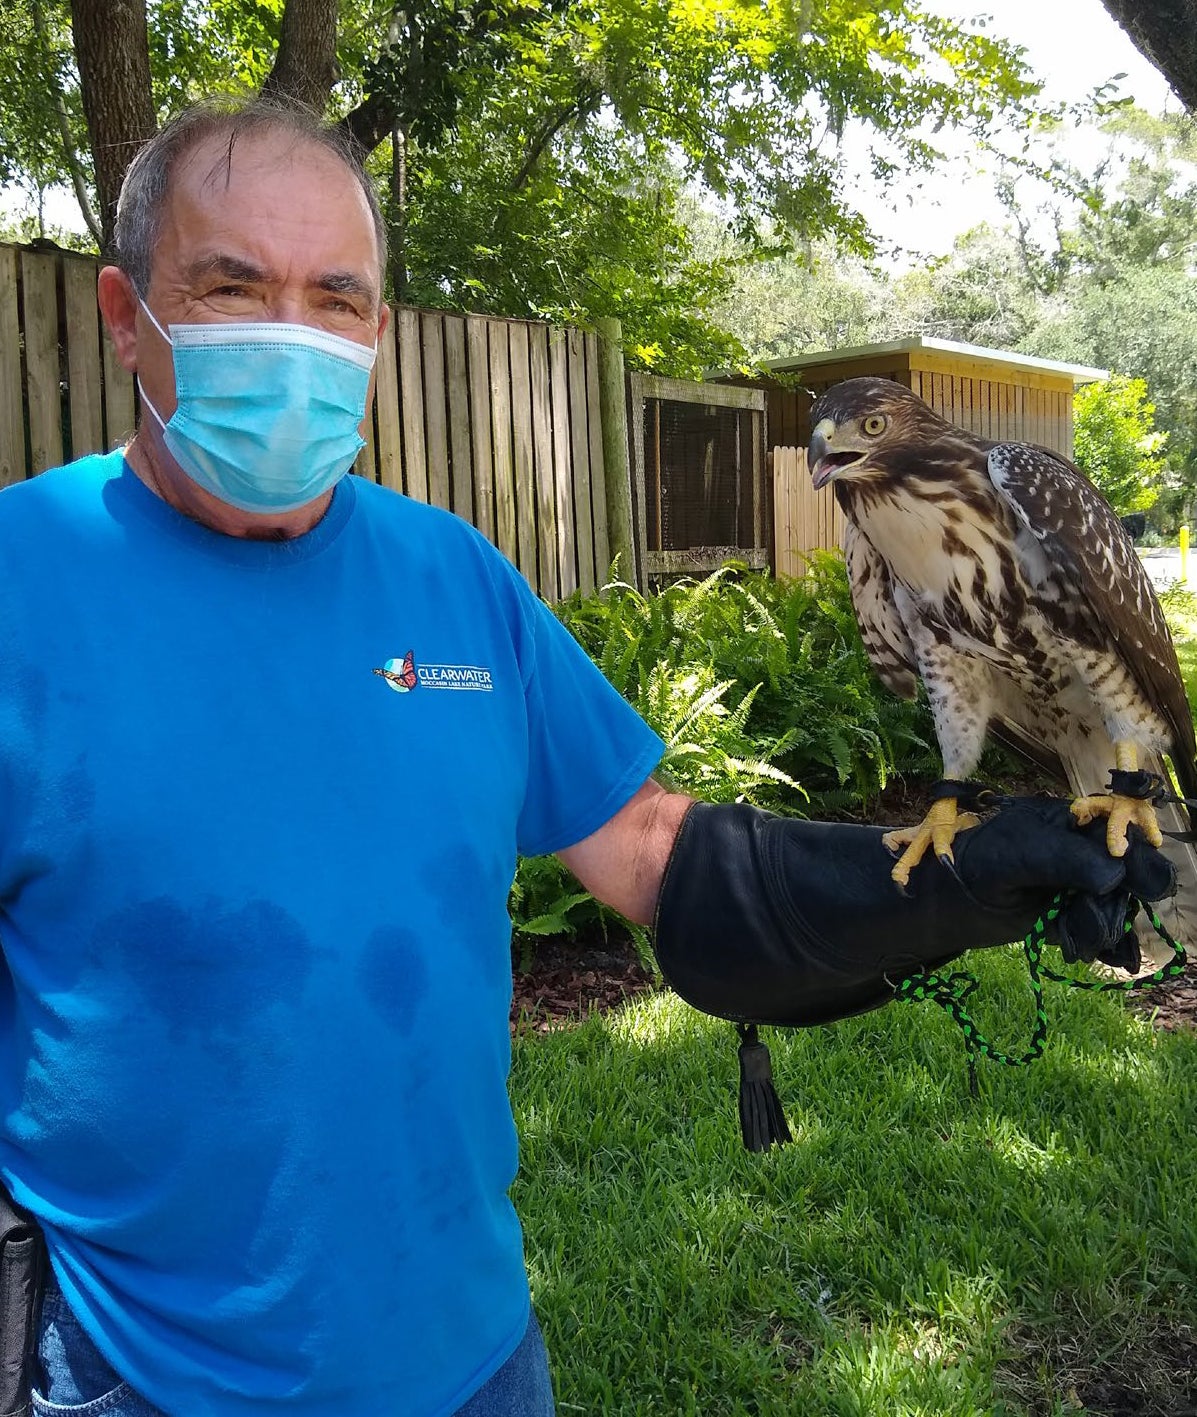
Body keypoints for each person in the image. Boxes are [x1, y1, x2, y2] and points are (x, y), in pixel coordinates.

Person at [0, 95, 1173, 1417]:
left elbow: (650, 851)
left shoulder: (451, 578)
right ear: (121, 315)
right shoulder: (19, 585)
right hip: (139, 1379)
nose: (292, 334)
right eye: (231, 286)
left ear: (378, 328)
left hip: (474, 1358)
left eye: (335, 297)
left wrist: (951, 885)